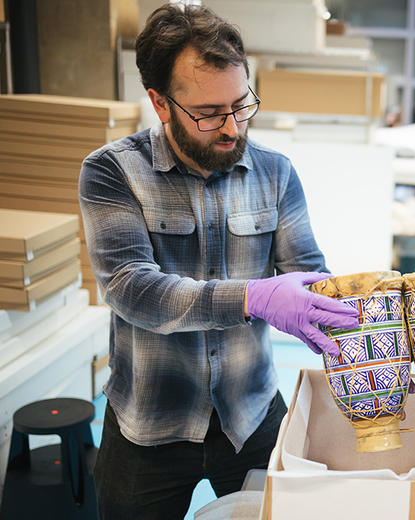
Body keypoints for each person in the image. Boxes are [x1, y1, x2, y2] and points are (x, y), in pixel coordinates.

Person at [78, 5, 358, 518]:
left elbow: (309, 277)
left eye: (242, 104)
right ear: (160, 104)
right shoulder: (112, 173)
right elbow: (133, 290)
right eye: (209, 113)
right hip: (149, 424)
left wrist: (367, 335)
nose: (232, 128)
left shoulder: (275, 172)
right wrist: (253, 298)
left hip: (248, 415)